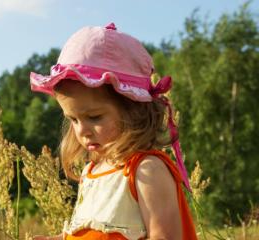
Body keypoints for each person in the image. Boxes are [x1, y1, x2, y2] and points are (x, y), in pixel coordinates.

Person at [30, 23, 197, 240]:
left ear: (134, 110)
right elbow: (92, 233)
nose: (83, 131)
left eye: (94, 117)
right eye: (73, 119)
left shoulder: (147, 170)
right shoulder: (91, 172)